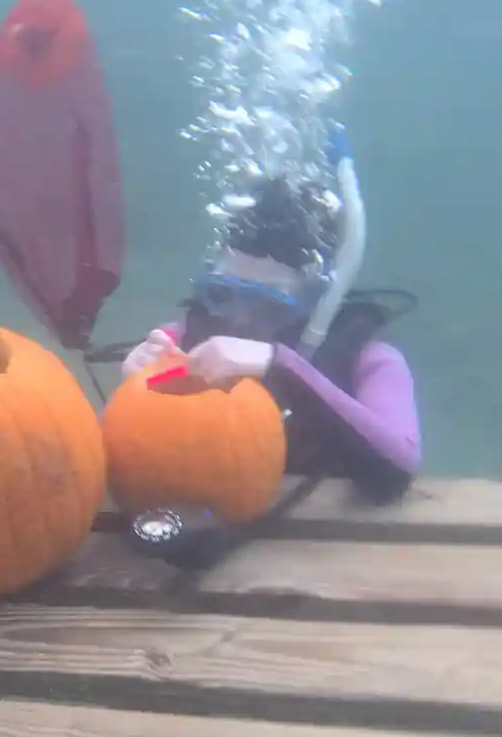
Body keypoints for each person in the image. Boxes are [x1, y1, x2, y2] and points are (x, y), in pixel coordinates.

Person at [117, 127, 421, 506]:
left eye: (268, 305)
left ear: (317, 300)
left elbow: (396, 472)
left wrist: (283, 366)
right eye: (224, 295)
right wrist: (138, 388)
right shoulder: (177, 343)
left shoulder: (371, 362)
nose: (240, 320)